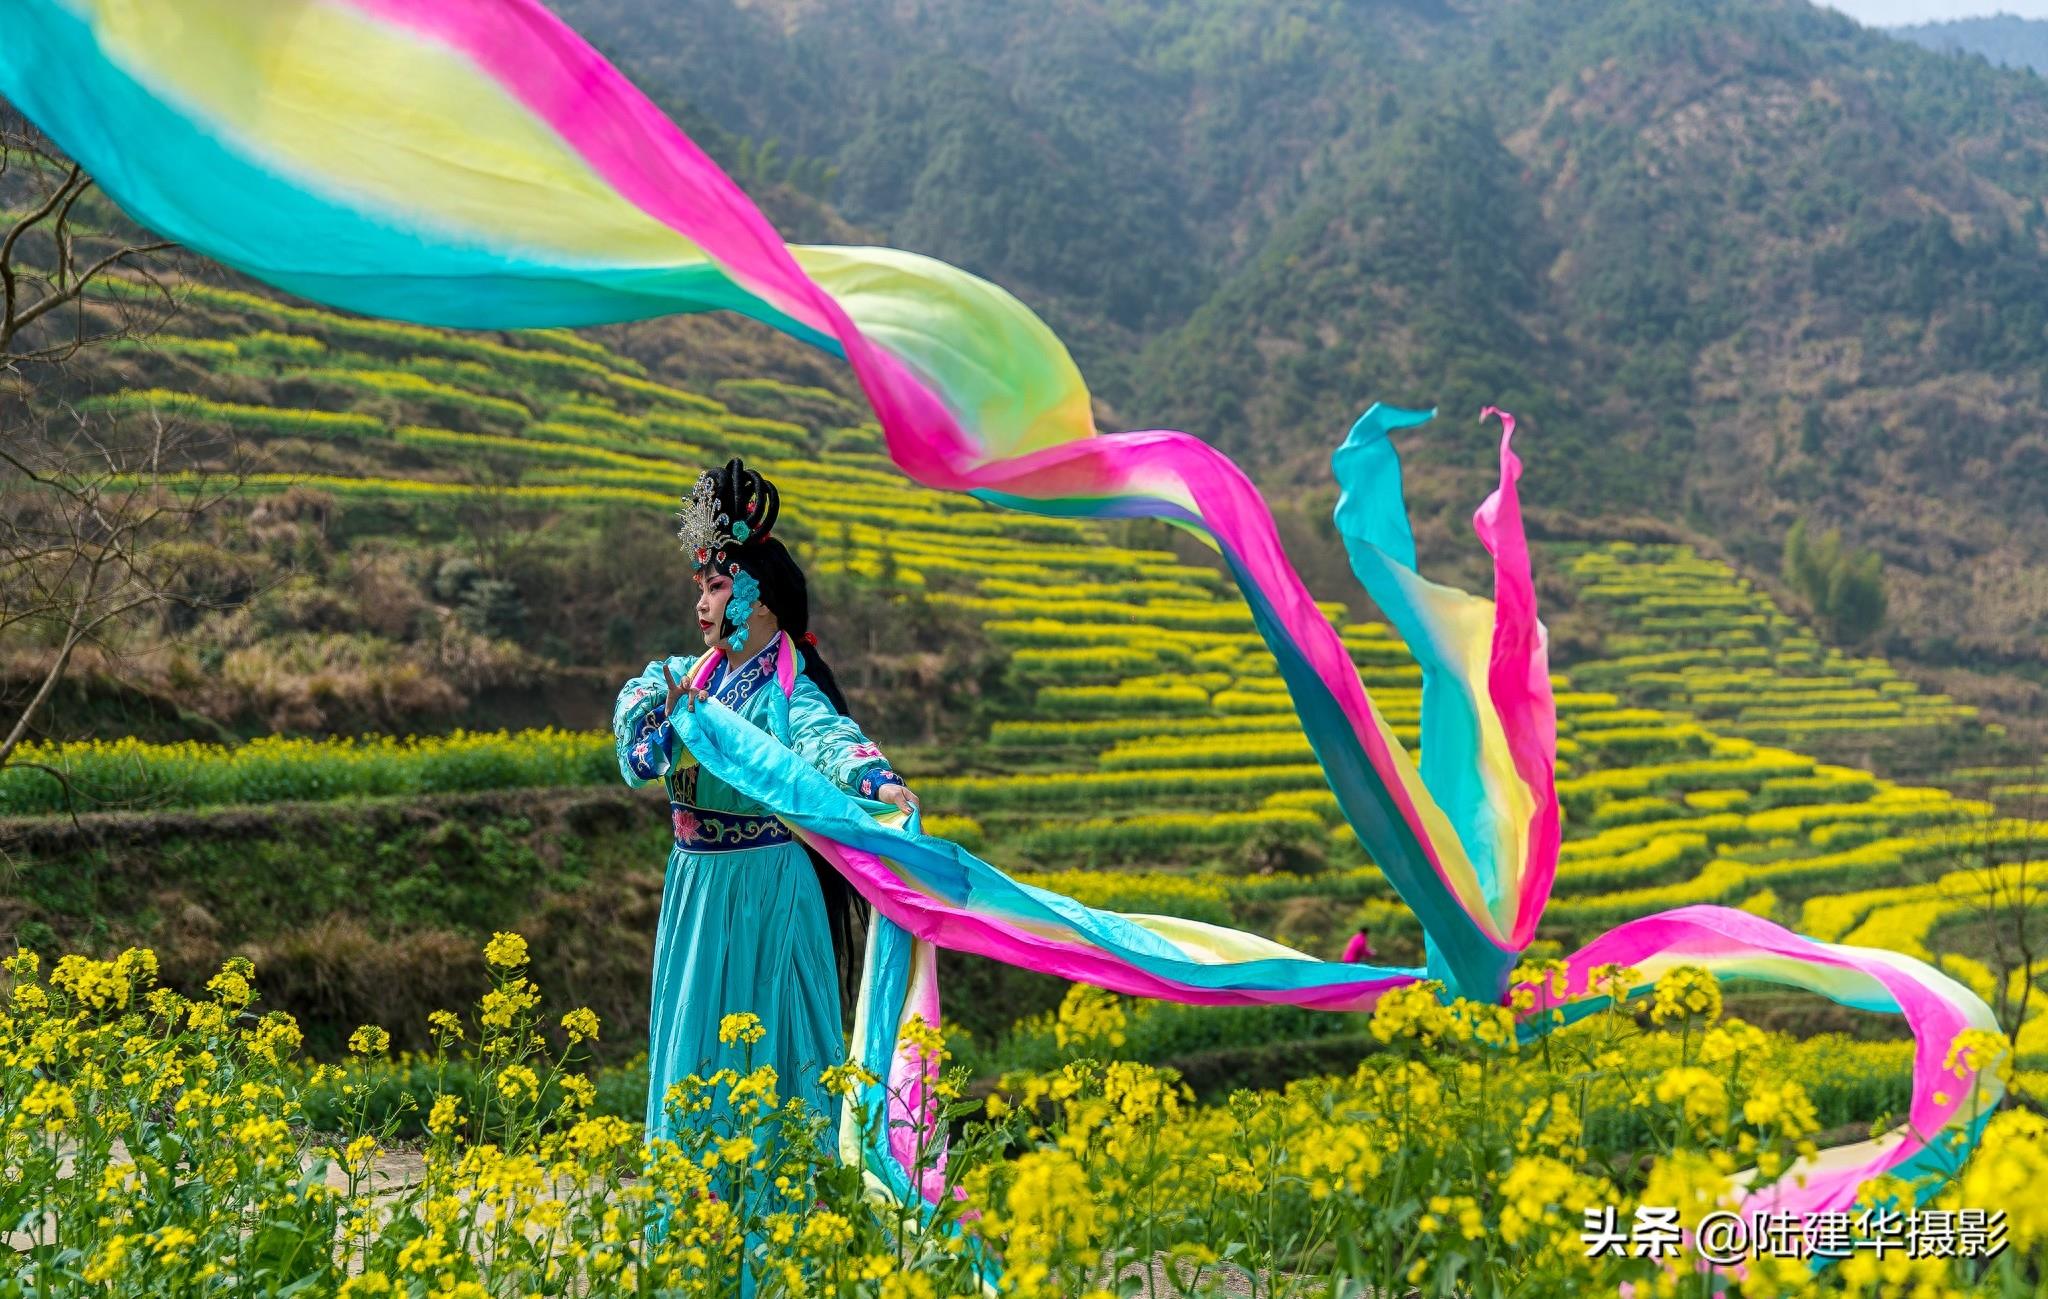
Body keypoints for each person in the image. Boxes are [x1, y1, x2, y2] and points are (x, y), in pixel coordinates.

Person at [610, 458, 918, 1229]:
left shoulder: (790, 695)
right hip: (697, 892)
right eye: (703, 585)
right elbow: (639, 738)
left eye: (717, 585)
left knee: (777, 1061)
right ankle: (694, 1230)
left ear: (761, 602)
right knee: (695, 1058)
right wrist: (671, 717)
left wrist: (879, 783)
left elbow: (828, 741)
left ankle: (781, 1235)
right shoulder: (678, 680)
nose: (702, 600)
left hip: (770, 891)